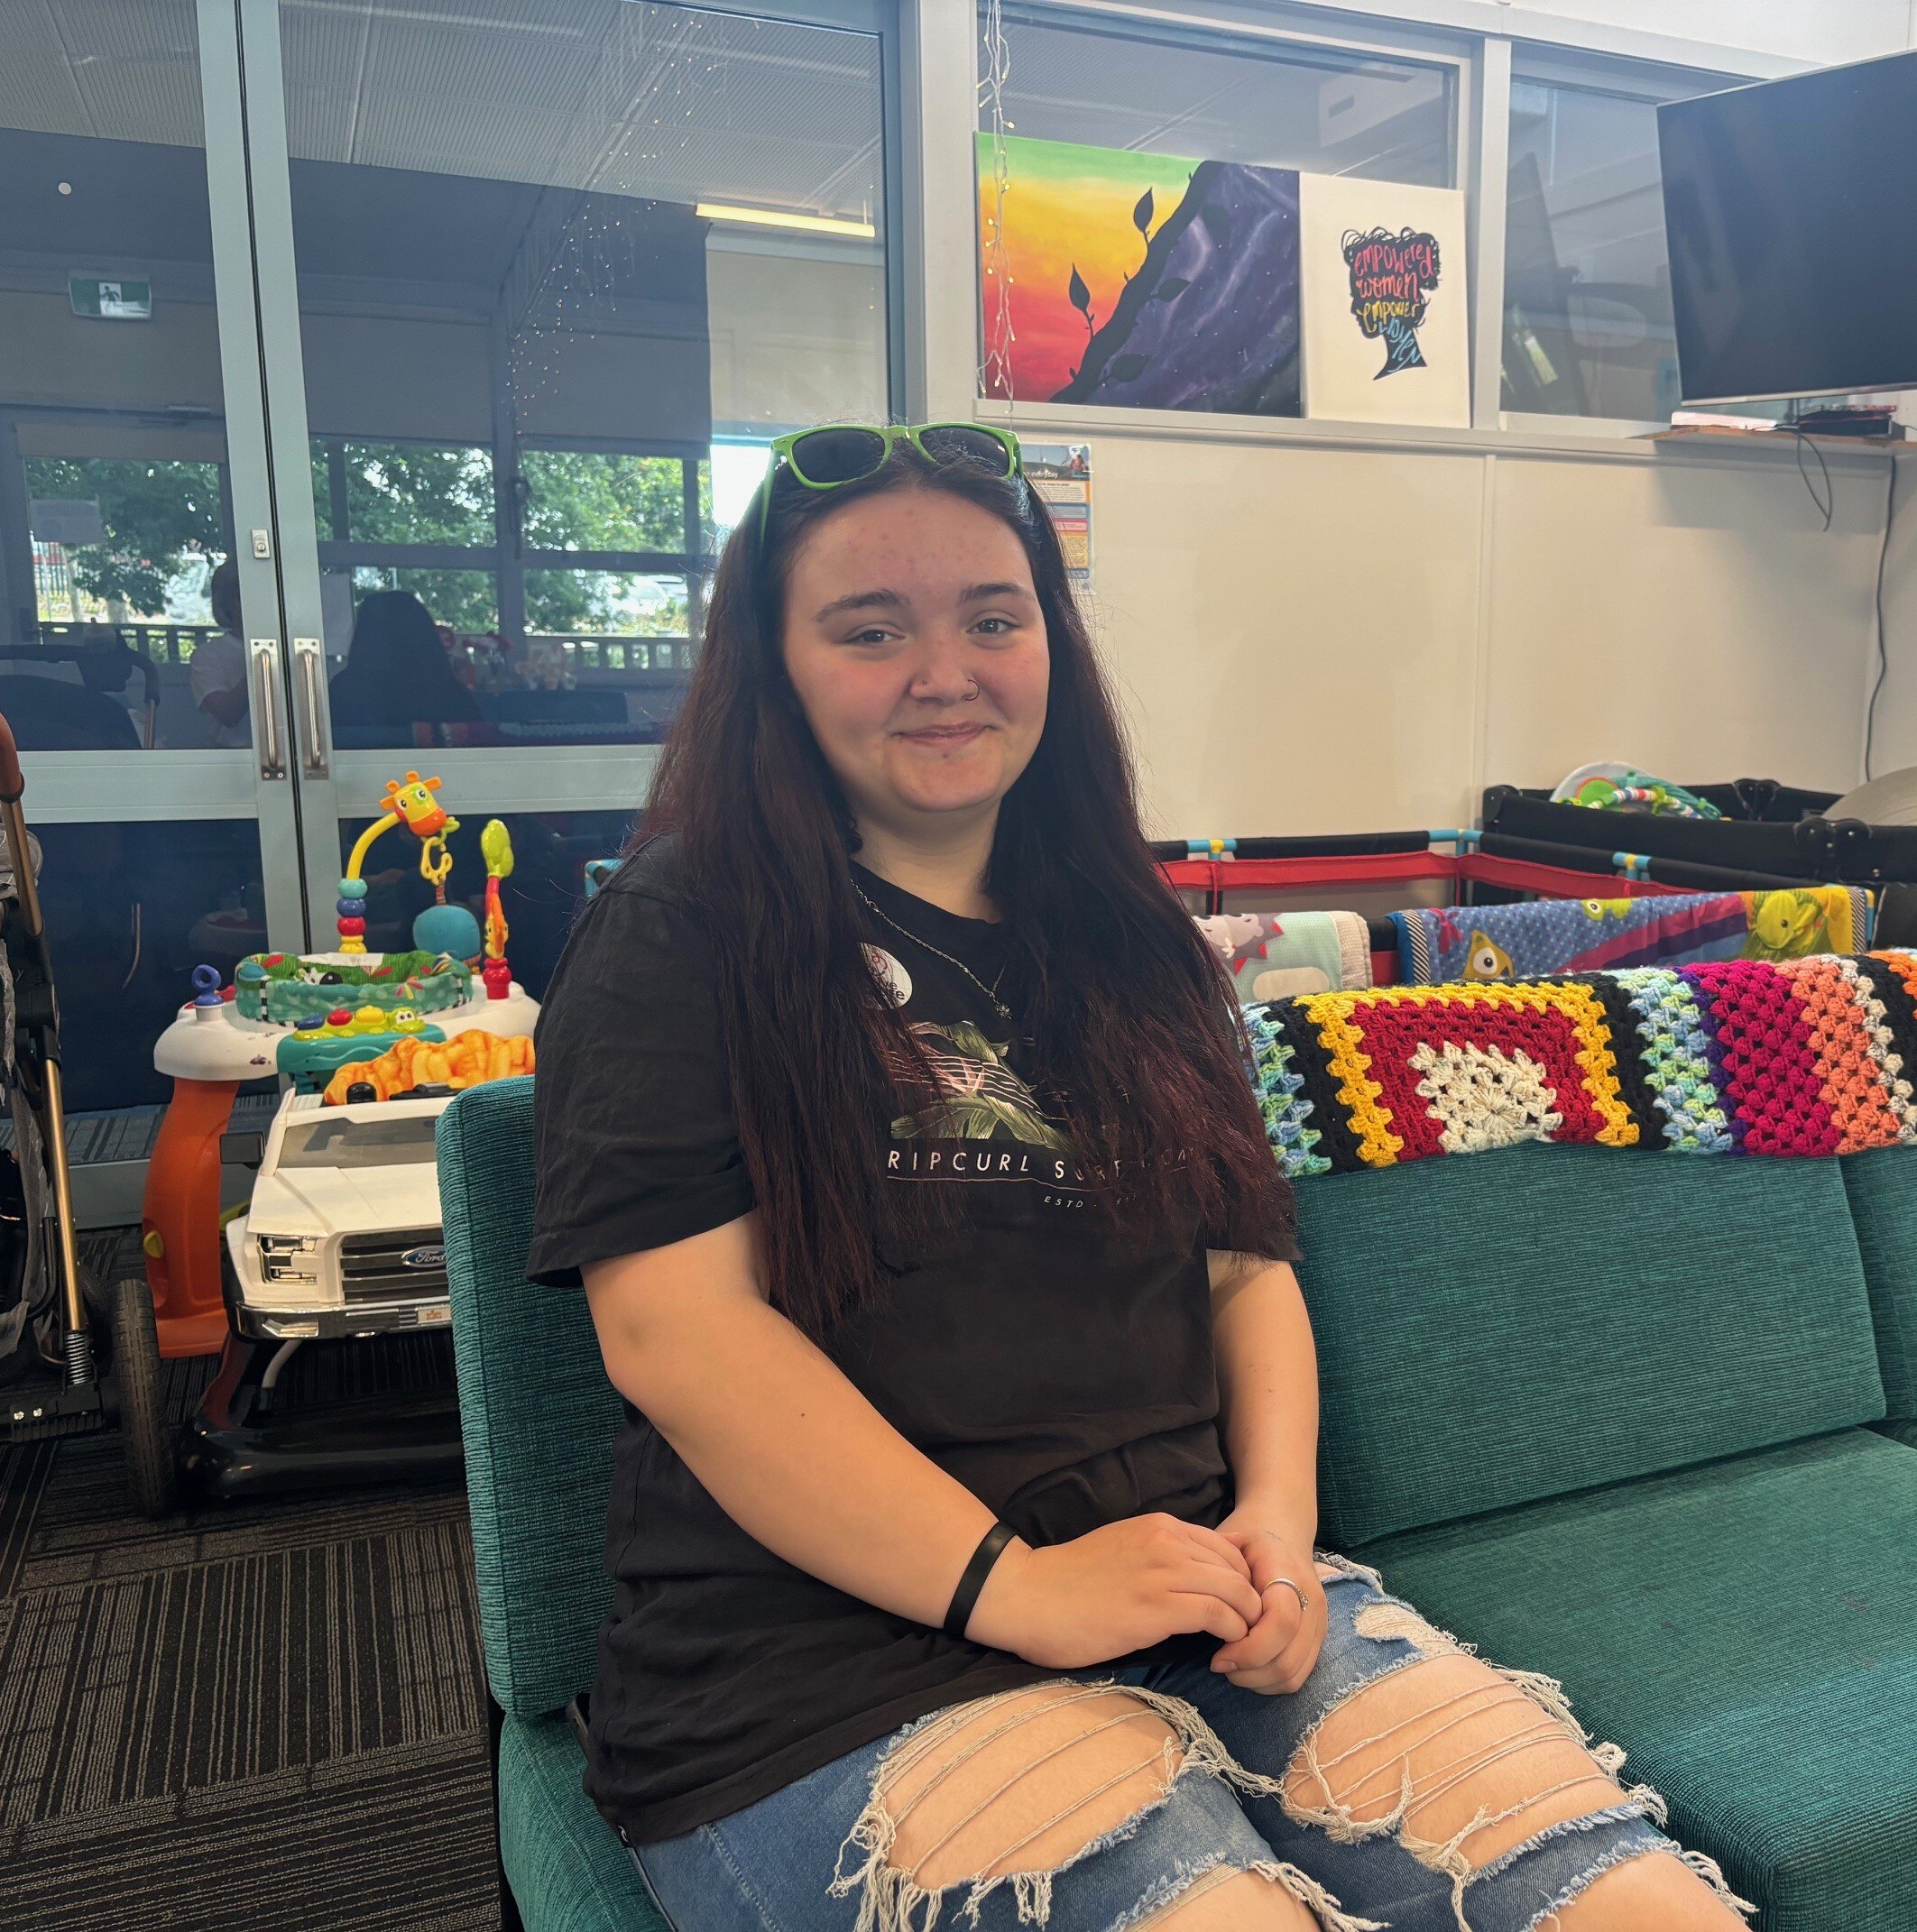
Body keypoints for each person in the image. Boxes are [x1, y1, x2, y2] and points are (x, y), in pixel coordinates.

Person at [525, 422, 1749, 1932]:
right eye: (870, 629)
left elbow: (1246, 1269)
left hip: (1193, 1596)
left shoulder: (1133, 935)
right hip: (824, 1662)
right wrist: (1021, 1588)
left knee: (1649, 1912)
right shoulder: (679, 924)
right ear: (772, 666)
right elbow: (676, 1332)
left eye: (993, 617)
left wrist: (1279, 1526)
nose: (945, 671)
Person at [327, 587, 483, 741]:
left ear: (364, 636)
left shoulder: (343, 691)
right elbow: (481, 743)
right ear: (424, 634)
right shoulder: (450, 692)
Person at [183, 560, 249, 750]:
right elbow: (228, 714)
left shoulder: (298, 649)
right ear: (229, 603)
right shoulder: (207, 655)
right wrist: (265, 659)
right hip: (234, 757)